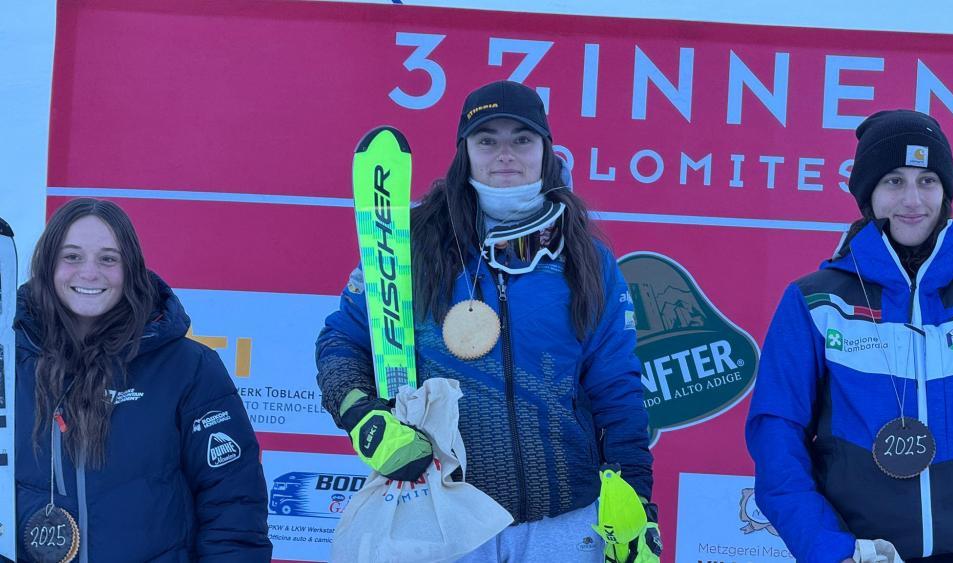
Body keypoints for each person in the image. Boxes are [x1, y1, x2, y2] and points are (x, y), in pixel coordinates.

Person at [316, 80, 659, 561]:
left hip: (564, 520)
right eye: (486, 139)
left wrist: (636, 497)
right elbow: (342, 342)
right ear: (465, 153)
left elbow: (616, 388)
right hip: (443, 510)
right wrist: (360, 414)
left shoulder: (587, 261)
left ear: (546, 151)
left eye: (522, 139)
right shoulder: (412, 248)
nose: (505, 153)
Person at [746, 110, 953, 563]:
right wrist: (829, 549)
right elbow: (776, 434)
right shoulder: (815, 301)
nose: (912, 200)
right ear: (867, 193)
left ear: (945, 191)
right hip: (862, 554)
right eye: (893, 181)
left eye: (927, 180)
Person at [14, 199, 272, 562]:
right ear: (47, 265)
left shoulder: (190, 368)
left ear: (130, 268)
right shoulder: (10, 364)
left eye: (108, 258)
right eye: (71, 256)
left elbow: (233, 506)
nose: (89, 273)